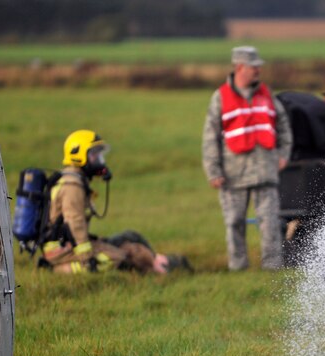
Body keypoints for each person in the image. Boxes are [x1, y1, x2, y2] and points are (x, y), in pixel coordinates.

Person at [41, 129, 191, 275]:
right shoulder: (72, 186)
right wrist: (87, 257)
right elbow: (75, 221)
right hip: (62, 249)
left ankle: (158, 263)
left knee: (129, 237)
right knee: (116, 258)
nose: (100, 161)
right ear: (78, 156)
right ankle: (58, 270)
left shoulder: (76, 180)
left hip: (70, 244)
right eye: (94, 155)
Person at [202, 45, 293, 271]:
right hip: (233, 173)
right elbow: (210, 137)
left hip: (265, 169)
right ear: (240, 67)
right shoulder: (220, 97)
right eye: (254, 67)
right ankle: (238, 267)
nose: (258, 71)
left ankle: (272, 267)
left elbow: (283, 126)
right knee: (234, 223)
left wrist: (283, 154)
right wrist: (213, 171)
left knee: (270, 222)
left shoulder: (266, 94)